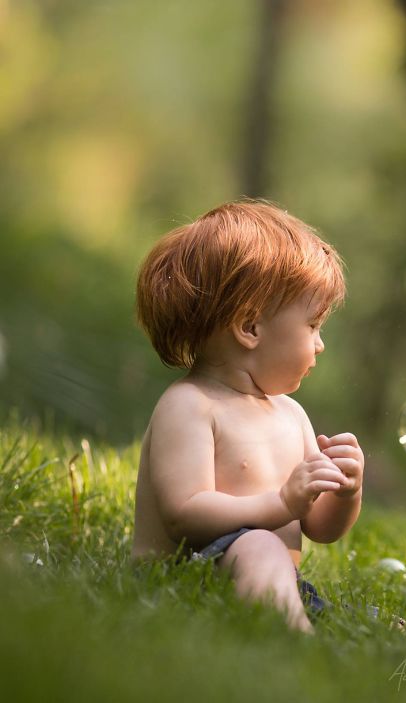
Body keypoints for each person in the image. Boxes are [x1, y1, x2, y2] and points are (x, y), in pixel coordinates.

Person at [131, 200, 362, 633]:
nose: (320, 344)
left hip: (269, 576)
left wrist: (345, 492)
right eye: (312, 326)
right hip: (185, 579)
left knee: (266, 554)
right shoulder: (190, 406)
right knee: (258, 545)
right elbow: (184, 513)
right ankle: (295, 639)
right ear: (250, 328)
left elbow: (319, 527)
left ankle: (289, 611)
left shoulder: (291, 415)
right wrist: (280, 504)